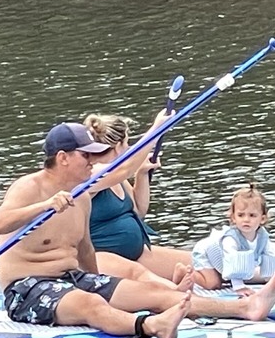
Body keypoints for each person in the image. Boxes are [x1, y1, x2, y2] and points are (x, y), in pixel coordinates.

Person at [0, 121, 275, 338]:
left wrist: (100, 283)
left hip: (73, 278)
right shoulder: (29, 187)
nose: (92, 161)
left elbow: (86, 251)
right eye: (86, 155)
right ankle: (151, 326)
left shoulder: (81, 196)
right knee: (91, 304)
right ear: (63, 158)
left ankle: (245, 308)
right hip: (27, 289)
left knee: (154, 292)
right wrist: (43, 206)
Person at [81, 113, 196, 288]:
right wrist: (156, 129)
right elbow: (124, 169)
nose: (128, 148)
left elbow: (138, 210)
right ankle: (174, 290)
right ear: (117, 146)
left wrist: (141, 173)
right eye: (127, 143)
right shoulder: (91, 174)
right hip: (103, 258)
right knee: (152, 281)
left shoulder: (117, 177)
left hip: (138, 253)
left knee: (201, 261)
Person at [190, 183, 275, 293]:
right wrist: (239, 286)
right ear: (233, 218)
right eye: (241, 215)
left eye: (252, 215)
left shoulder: (261, 236)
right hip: (206, 255)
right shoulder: (231, 239)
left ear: (262, 219)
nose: (246, 220)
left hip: (225, 264)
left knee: (251, 271)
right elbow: (233, 261)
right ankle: (186, 273)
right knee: (213, 284)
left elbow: (271, 253)